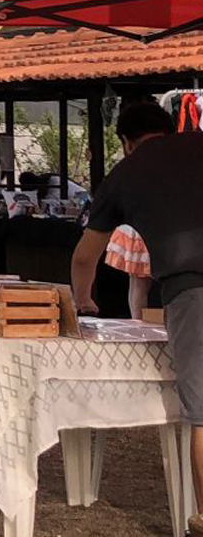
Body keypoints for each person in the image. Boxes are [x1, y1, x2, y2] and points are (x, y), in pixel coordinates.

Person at [69, 101, 203, 528]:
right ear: (169, 127)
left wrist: (84, 301)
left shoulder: (124, 174)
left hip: (190, 288)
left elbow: (85, 256)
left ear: (125, 143)